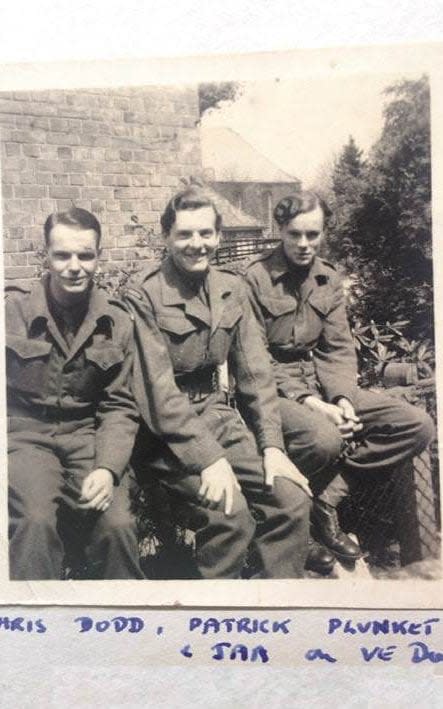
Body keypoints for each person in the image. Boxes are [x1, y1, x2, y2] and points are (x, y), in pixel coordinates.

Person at [125, 185, 315, 579]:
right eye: (185, 234)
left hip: (215, 412)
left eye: (206, 234)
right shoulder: (143, 294)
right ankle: (214, 618)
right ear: (166, 237)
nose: (197, 244)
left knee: (290, 500)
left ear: (219, 236)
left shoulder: (232, 288)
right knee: (231, 516)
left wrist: (273, 447)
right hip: (164, 434)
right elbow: (157, 392)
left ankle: (272, 614)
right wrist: (208, 458)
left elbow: (255, 373)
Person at [245, 190, 434, 562]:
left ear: (322, 233)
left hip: (321, 381)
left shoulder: (327, 278)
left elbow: (337, 348)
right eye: (295, 234)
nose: (304, 244)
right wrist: (313, 404)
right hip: (273, 389)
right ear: (278, 230)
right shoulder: (255, 279)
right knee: (324, 438)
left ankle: (326, 501)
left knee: (415, 424)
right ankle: (297, 530)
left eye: (313, 235)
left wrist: (343, 400)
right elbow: (255, 361)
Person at [6, 207, 143, 580]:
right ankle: (37, 628)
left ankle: (128, 626)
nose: (74, 266)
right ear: (46, 256)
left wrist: (107, 468)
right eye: (62, 255)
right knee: (34, 521)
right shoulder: (12, 312)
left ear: (98, 256)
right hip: (25, 437)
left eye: (85, 255)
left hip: (87, 437)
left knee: (117, 525)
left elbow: (119, 404)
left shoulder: (115, 321)